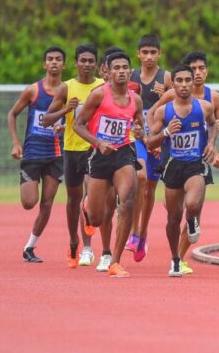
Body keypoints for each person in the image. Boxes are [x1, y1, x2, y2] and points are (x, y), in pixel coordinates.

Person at [147, 51, 219, 274]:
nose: (183, 85)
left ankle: (192, 220)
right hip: (173, 165)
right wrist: (165, 132)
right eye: (179, 81)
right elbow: (151, 141)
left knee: (191, 205)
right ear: (173, 83)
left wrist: (210, 143)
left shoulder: (204, 107)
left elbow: (212, 125)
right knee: (172, 218)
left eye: (187, 80)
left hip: (195, 164)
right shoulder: (164, 110)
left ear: (193, 83)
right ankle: (175, 259)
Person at [73, 52, 145, 278]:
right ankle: (87, 209)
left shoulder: (136, 99)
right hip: (99, 155)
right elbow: (78, 125)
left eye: (125, 67)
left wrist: (140, 132)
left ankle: (115, 261)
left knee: (128, 200)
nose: (122, 71)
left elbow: (140, 125)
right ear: (108, 72)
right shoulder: (98, 96)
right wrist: (98, 142)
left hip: (123, 153)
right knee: (97, 217)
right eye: (117, 68)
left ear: (130, 71)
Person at [42, 44, 103, 268]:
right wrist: (66, 110)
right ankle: (74, 241)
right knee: (73, 199)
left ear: (96, 64)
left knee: (89, 196)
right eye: (83, 60)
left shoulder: (103, 87)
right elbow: (46, 120)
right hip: (72, 149)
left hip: (94, 149)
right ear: (76, 63)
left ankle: (88, 248)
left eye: (90, 60)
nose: (86, 64)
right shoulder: (67, 88)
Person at [7, 46, 67, 262]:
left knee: (47, 203)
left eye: (58, 59)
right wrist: (15, 143)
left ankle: (30, 247)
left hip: (55, 154)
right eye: (50, 59)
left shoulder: (67, 91)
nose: (54, 62)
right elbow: (12, 114)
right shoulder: (33, 90)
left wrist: (65, 128)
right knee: (28, 203)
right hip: (33, 153)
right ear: (44, 64)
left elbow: (76, 120)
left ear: (64, 64)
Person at [126, 34, 172, 263]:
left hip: (158, 138)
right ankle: (133, 232)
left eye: (153, 52)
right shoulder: (131, 76)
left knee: (150, 189)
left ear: (159, 54)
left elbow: (178, 105)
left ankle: (142, 234)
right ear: (138, 54)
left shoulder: (167, 78)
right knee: (140, 177)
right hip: (136, 137)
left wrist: (165, 97)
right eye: (145, 52)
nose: (149, 56)